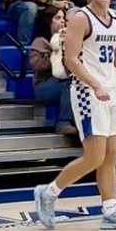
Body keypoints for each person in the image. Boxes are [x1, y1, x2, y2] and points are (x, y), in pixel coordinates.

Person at [32, 0, 116, 231]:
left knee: (110, 155)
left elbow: (114, 56)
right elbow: (71, 59)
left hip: (109, 91)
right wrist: (94, 84)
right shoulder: (81, 18)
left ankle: (111, 211)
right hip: (86, 91)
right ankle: (48, 192)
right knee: (94, 156)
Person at [29, 8, 76, 138]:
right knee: (69, 84)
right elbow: (36, 65)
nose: (62, 22)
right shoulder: (40, 42)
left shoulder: (69, 40)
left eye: (63, 19)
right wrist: (55, 56)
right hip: (44, 85)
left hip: (62, 79)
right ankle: (63, 123)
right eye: (57, 18)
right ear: (49, 21)